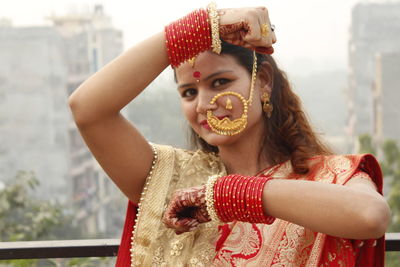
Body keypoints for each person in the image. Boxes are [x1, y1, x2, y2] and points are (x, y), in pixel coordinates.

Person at [68, 4, 390, 266]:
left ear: (263, 80)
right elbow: (87, 108)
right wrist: (202, 25)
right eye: (189, 92)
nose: (205, 105)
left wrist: (229, 195)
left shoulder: (331, 178)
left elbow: (371, 215)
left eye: (220, 82)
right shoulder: (169, 178)